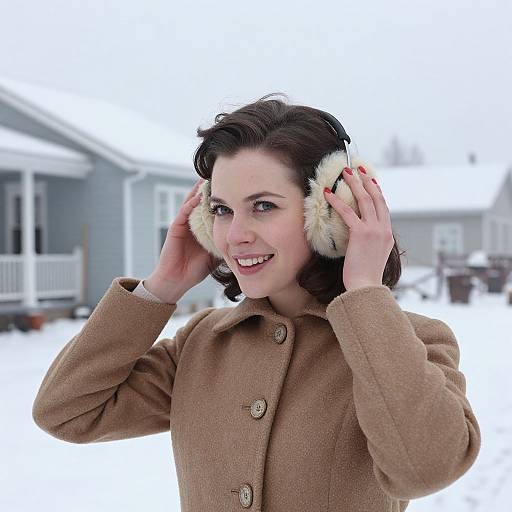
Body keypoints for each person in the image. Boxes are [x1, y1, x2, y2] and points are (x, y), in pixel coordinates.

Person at [32, 93, 481, 512]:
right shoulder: (201, 346)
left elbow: (425, 469)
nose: (235, 235)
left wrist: (364, 290)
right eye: (223, 210)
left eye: (263, 206)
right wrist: (163, 286)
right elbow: (64, 411)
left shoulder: (412, 342)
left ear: (331, 212)